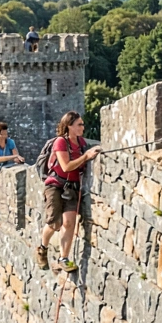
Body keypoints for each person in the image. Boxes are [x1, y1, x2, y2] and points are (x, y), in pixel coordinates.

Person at [37, 112, 101, 273]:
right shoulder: (60, 142)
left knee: (69, 222)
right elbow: (66, 167)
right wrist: (86, 156)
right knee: (55, 222)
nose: (82, 127)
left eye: (83, 124)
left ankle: (63, 259)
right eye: (79, 124)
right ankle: (42, 248)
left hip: (72, 187)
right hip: (55, 185)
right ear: (69, 126)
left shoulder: (80, 142)